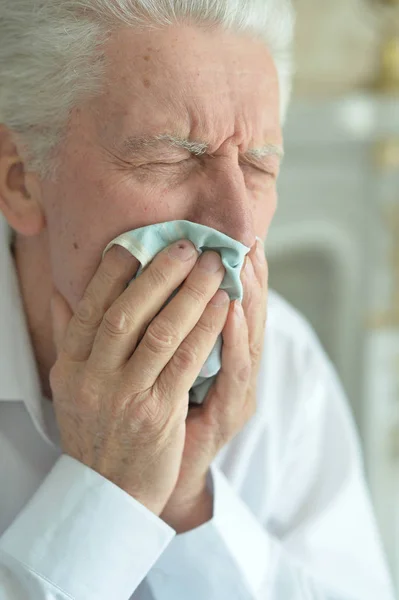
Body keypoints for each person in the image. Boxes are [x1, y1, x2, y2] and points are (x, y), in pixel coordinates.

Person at [0, 1, 394, 599]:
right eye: (171, 156)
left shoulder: (283, 359)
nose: (237, 226)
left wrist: (189, 502)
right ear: (20, 179)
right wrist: (110, 495)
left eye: (259, 166)